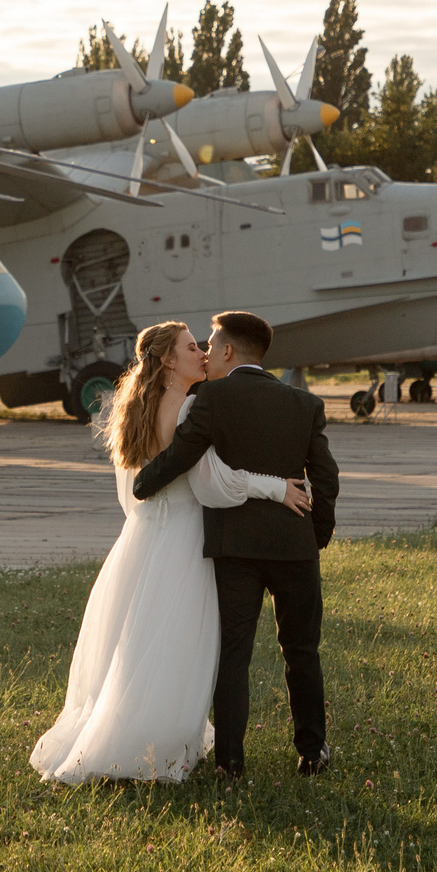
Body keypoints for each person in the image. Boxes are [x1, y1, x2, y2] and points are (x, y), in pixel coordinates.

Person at [29, 320, 313, 784]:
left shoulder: (137, 408)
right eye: (191, 347)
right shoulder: (185, 409)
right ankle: (157, 746)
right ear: (168, 360)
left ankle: (140, 734)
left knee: (142, 643)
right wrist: (275, 487)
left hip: (142, 539)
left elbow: (135, 494)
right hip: (182, 539)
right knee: (179, 645)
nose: (203, 352)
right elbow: (212, 483)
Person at [131, 309, 338, 778]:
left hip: (235, 549)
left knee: (234, 655)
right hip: (294, 546)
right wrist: (315, 533)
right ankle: (312, 750)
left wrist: (143, 483)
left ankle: (230, 761)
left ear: (227, 351)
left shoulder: (212, 399)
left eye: (209, 344)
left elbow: (181, 456)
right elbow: (327, 477)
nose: (205, 353)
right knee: (302, 650)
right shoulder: (305, 404)